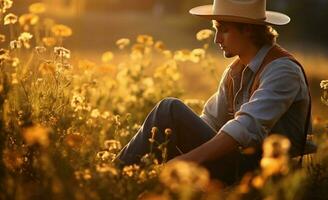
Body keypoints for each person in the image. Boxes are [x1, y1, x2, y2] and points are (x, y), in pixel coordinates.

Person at [115, 0, 311, 185]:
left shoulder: (283, 70)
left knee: (169, 109)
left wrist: (187, 160)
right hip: (239, 164)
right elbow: (210, 121)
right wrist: (178, 149)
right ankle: (119, 177)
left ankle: (113, 179)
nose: (217, 39)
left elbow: (246, 127)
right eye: (216, 30)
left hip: (265, 173)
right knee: (168, 116)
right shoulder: (235, 72)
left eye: (224, 31)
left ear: (249, 30)